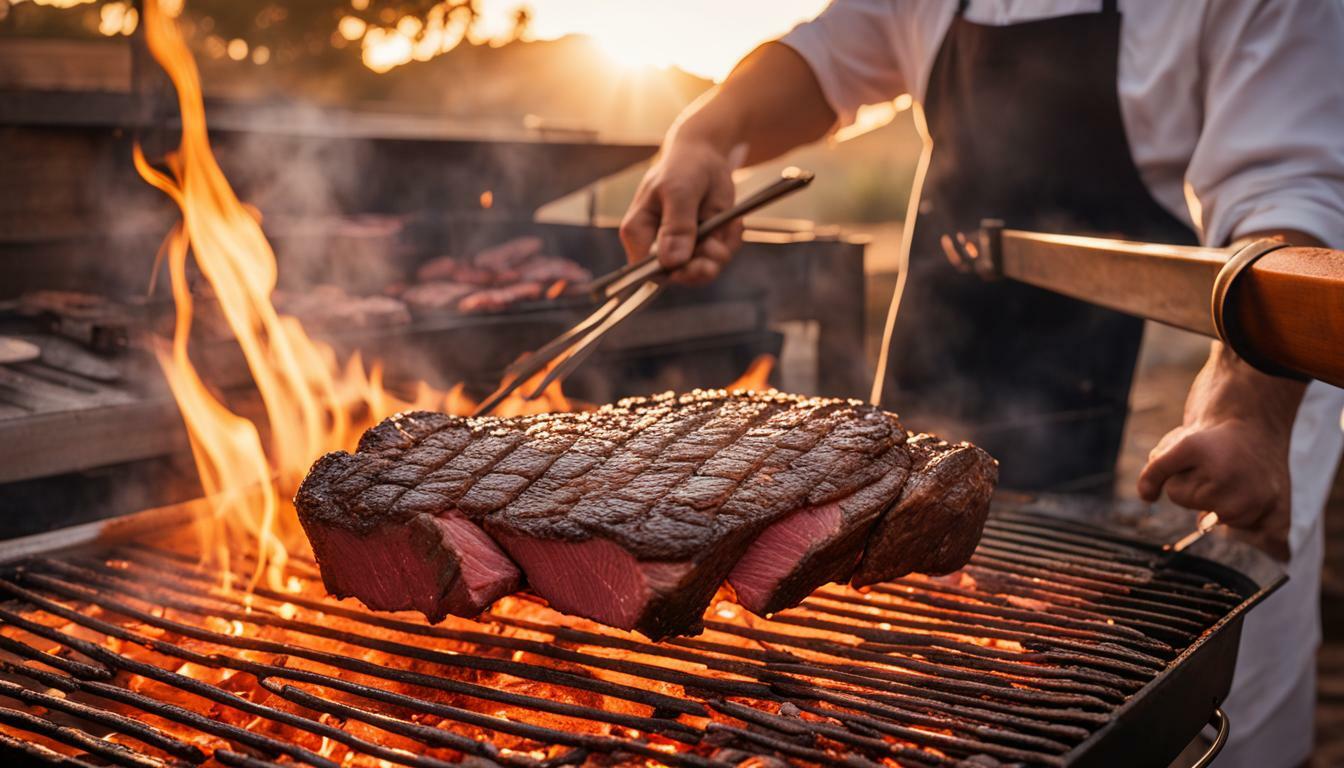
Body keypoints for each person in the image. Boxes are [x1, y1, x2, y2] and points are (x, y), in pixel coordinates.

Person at [618, 1, 1344, 764]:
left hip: (1231, 413)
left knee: (1209, 723)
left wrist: (1240, 399)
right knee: (912, 708)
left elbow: (1293, 199)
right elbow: (825, 57)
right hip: (953, 400)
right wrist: (701, 134)